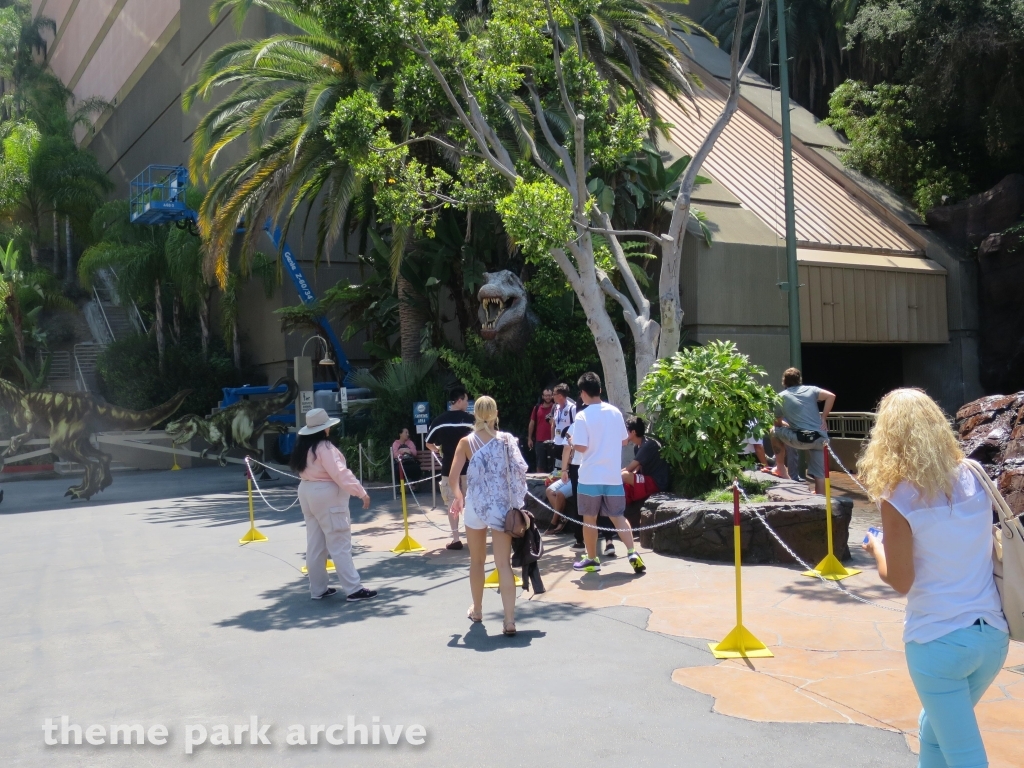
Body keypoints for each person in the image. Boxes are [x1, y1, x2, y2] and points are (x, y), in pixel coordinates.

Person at [859, 389, 1009, 768]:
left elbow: (901, 580)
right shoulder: (974, 475)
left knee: (965, 756)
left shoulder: (899, 496)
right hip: (991, 635)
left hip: (936, 641)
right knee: (934, 728)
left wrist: (875, 547)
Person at [448, 396, 528, 637]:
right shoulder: (507, 440)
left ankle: (478, 609)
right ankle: (509, 620)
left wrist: (458, 496)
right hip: (501, 508)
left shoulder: (466, 442)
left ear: (475, 414)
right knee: (503, 563)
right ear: (495, 414)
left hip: (475, 504)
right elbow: (520, 471)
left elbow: (453, 478)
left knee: (477, 561)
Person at [290, 408, 376, 602]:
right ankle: (353, 588)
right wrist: (360, 491)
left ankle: (318, 588)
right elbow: (340, 473)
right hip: (327, 495)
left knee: (315, 543)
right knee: (339, 541)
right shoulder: (325, 447)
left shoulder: (304, 447)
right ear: (324, 429)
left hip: (306, 490)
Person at [569, 372, 645, 575]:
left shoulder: (582, 415)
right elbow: (623, 440)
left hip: (590, 477)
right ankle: (632, 552)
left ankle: (592, 559)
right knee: (618, 516)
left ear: (583, 393)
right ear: (600, 390)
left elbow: (581, 447)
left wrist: (572, 442)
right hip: (612, 476)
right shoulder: (614, 412)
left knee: (589, 519)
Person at [770, 367, 836, 494]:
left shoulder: (780, 397)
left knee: (773, 431)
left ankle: (780, 468)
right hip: (820, 438)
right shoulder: (812, 389)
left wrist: (785, 424)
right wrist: (823, 418)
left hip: (800, 439)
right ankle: (820, 496)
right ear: (799, 379)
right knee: (820, 474)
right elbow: (831, 396)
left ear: (784, 381)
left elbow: (777, 423)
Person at [426, 385, 475, 550]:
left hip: (449, 467)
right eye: (466, 400)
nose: (467, 403)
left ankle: (456, 538)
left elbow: (428, 443)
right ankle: (473, 537)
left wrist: (439, 450)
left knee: (451, 504)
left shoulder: (439, 420)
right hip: (470, 467)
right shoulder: (472, 420)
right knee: (472, 502)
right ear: (460, 400)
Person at [622, 415, 670, 505]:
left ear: (633, 432)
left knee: (624, 476)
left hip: (656, 483)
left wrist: (611, 476)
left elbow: (629, 469)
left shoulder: (647, 445)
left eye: (625, 431)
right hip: (646, 479)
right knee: (625, 483)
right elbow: (636, 469)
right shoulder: (637, 447)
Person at [527, 388, 555, 473]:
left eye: (549, 395)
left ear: (552, 396)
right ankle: (540, 485)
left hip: (553, 441)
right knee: (540, 465)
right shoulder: (537, 408)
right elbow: (532, 423)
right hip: (540, 441)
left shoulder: (556, 408)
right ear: (542, 396)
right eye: (546, 395)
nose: (548, 397)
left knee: (553, 465)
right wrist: (529, 438)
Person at [550, 383, 576, 471]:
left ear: (560, 396)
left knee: (567, 469)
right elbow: (554, 424)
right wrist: (552, 439)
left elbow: (575, 427)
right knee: (557, 469)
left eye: (554, 394)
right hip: (557, 443)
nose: (552, 396)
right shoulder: (556, 407)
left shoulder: (572, 408)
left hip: (567, 444)